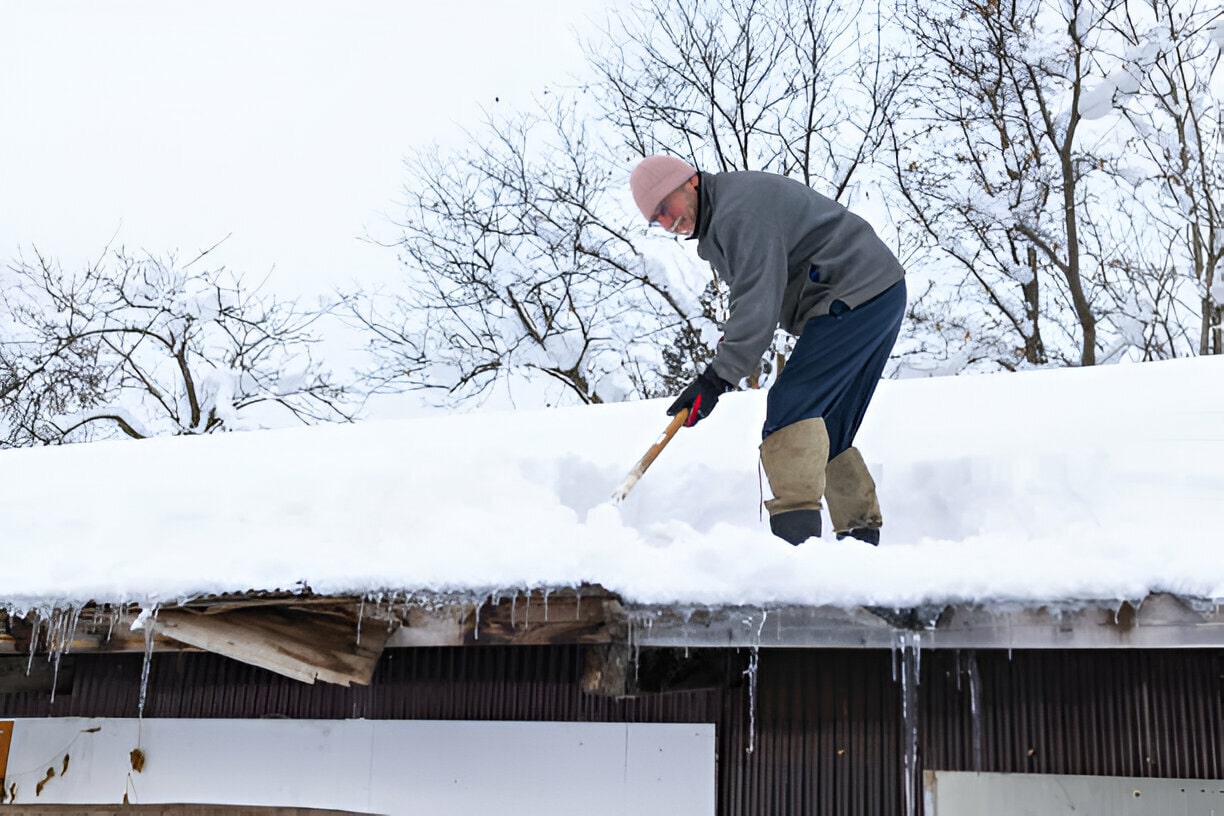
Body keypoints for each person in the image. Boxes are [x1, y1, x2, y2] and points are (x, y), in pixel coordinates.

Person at [628, 154, 906, 546]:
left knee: (790, 412)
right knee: (828, 430)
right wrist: (718, 372)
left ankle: (795, 556)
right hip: (876, 292)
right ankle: (860, 553)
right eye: (655, 219)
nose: (665, 222)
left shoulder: (739, 211)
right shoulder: (726, 217)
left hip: (853, 292)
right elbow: (753, 302)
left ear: (690, 182)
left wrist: (715, 379)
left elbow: (758, 302)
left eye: (664, 207)